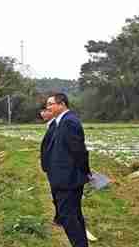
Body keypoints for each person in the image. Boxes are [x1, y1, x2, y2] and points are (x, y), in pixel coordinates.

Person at [44, 93, 92, 247]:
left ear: (62, 104)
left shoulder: (69, 122)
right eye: (47, 104)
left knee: (67, 216)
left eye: (51, 104)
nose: (48, 107)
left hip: (68, 179)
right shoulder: (58, 122)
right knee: (74, 214)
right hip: (63, 176)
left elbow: (79, 151)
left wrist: (85, 171)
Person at [39, 108, 60, 227]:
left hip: (55, 166)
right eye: (42, 111)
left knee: (57, 192)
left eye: (46, 110)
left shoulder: (56, 126)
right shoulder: (51, 125)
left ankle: (60, 217)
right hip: (52, 166)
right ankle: (60, 216)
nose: (43, 113)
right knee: (56, 192)